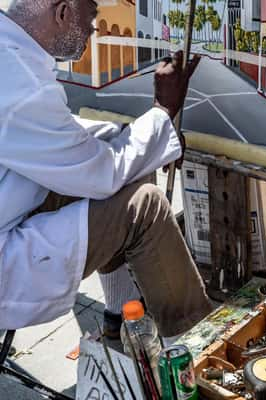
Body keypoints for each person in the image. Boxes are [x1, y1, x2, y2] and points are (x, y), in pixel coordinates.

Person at [0, 0, 212, 339]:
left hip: (10, 205)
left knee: (129, 155)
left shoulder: (9, 52)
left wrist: (152, 138)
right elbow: (100, 176)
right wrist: (162, 111)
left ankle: (118, 314)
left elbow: (55, 135)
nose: (94, 28)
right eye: (91, 15)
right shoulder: (22, 84)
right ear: (63, 13)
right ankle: (194, 347)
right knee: (145, 205)